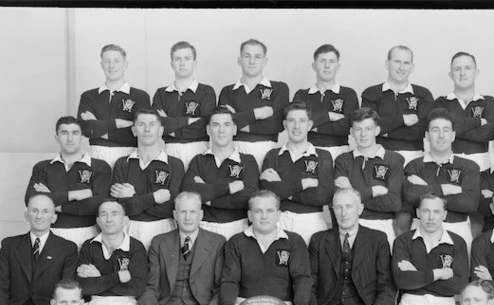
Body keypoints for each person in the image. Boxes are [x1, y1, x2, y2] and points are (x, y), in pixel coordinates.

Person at [220, 190, 312, 305]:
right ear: (249, 215)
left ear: (278, 214)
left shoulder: (294, 241)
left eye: (269, 211)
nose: (264, 216)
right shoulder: (236, 242)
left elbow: (302, 278)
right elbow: (230, 281)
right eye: (258, 211)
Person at [361, 45, 434, 237]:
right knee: (380, 207)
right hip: (381, 159)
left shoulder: (423, 94)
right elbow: (369, 128)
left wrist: (384, 129)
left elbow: (421, 131)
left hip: (413, 160)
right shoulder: (371, 93)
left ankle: (401, 261)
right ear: (387, 64)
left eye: (406, 63)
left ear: (412, 67)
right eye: (397, 61)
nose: (401, 67)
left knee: (404, 218)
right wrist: (403, 120)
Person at [434, 51, 494, 238]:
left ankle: (477, 265)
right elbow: (440, 130)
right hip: (449, 169)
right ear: (450, 74)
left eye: (467, 68)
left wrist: (455, 129)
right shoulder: (441, 102)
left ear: (476, 72)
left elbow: (492, 131)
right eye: (457, 69)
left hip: (482, 168)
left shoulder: (488, 102)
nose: (462, 73)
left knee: (480, 220)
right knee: (447, 217)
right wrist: (477, 122)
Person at [25, 116, 112, 249]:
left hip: (87, 235)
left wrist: (52, 201)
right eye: (64, 133)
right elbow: (31, 200)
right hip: (51, 234)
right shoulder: (42, 167)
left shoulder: (99, 166)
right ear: (57, 137)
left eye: (75, 133)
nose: (70, 138)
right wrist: (74, 195)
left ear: (82, 136)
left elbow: (97, 204)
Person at [403, 108, 480, 250]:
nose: (441, 136)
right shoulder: (413, 166)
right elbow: (411, 196)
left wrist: (426, 190)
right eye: (435, 130)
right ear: (427, 135)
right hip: (421, 231)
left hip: (458, 229)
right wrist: (446, 189)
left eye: (446, 130)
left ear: (453, 135)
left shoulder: (469, 167)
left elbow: (469, 202)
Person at [110, 107, 184, 252]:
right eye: (141, 124)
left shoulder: (175, 164)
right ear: (134, 130)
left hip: (164, 228)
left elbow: (171, 209)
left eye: (152, 124)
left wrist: (133, 197)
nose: (147, 129)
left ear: (161, 130)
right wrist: (154, 197)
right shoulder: (122, 163)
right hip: (129, 229)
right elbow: (121, 208)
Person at [260, 100, 334, 245]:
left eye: (302, 121)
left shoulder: (323, 156)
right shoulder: (272, 155)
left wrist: (283, 188)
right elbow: (268, 194)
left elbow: (323, 196)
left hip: (312, 222)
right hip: (279, 220)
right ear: (285, 125)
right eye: (291, 121)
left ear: (310, 125)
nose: (297, 126)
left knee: (311, 267)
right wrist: (303, 184)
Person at [181, 106, 259, 241]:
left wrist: (208, 197)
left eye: (227, 125)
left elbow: (248, 198)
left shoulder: (248, 161)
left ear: (234, 130)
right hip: (205, 228)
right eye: (216, 125)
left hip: (239, 229)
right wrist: (228, 189)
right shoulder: (198, 160)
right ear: (208, 130)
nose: (221, 130)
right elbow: (189, 192)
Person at [334, 107, 406, 249]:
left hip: (383, 225)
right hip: (351, 226)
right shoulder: (343, 160)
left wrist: (352, 193)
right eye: (358, 129)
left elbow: (394, 202)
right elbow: (338, 199)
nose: (363, 134)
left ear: (377, 130)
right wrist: (372, 191)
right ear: (351, 132)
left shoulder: (394, 159)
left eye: (368, 129)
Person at [218, 39, 289, 169]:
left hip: (268, 151)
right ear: (239, 60)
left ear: (265, 61)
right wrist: (258, 113)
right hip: (234, 150)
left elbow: (277, 124)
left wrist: (237, 120)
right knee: (236, 188)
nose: (252, 61)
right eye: (247, 56)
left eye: (257, 57)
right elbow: (223, 125)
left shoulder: (279, 88)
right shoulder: (227, 91)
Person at [77, 44, 151, 168]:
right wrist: (118, 123)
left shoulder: (140, 96)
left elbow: (137, 132)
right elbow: (85, 129)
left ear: (125, 64)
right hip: (96, 156)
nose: (111, 66)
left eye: (117, 61)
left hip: (129, 157)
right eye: (107, 61)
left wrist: (97, 126)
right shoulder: (88, 96)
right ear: (102, 65)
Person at [152, 41, 217, 169]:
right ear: (171, 64)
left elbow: (205, 125)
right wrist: (189, 121)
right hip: (168, 150)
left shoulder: (206, 91)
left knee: (196, 187)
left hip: (199, 149)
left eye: (187, 59)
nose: (182, 63)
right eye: (177, 59)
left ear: (194, 63)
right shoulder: (161, 93)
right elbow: (157, 125)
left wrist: (171, 126)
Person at [292, 44, 359, 161]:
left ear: (338, 66)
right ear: (314, 66)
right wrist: (329, 116)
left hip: (340, 152)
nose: (327, 66)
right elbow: (296, 124)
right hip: (307, 151)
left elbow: (348, 126)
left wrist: (311, 125)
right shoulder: (302, 95)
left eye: (331, 61)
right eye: (322, 61)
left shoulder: (348, 94)